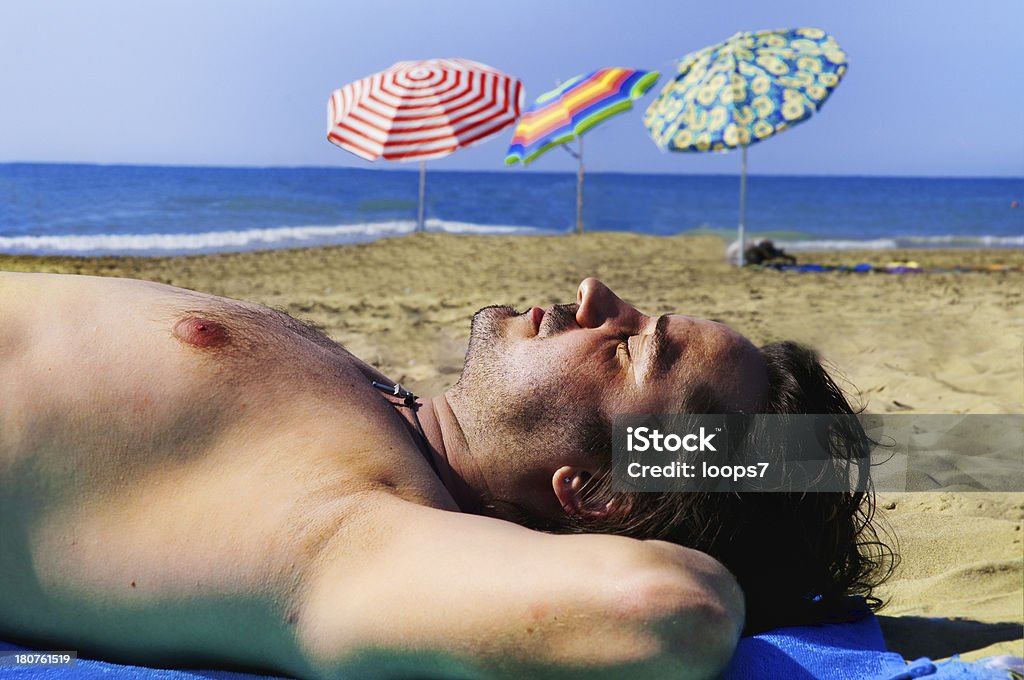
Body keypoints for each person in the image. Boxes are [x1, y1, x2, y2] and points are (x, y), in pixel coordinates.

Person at [0, 272, 889, 679]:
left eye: (626, 350)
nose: (593, 296)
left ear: (596, 492)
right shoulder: (383, 417)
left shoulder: (361, 533)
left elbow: (669, 612)